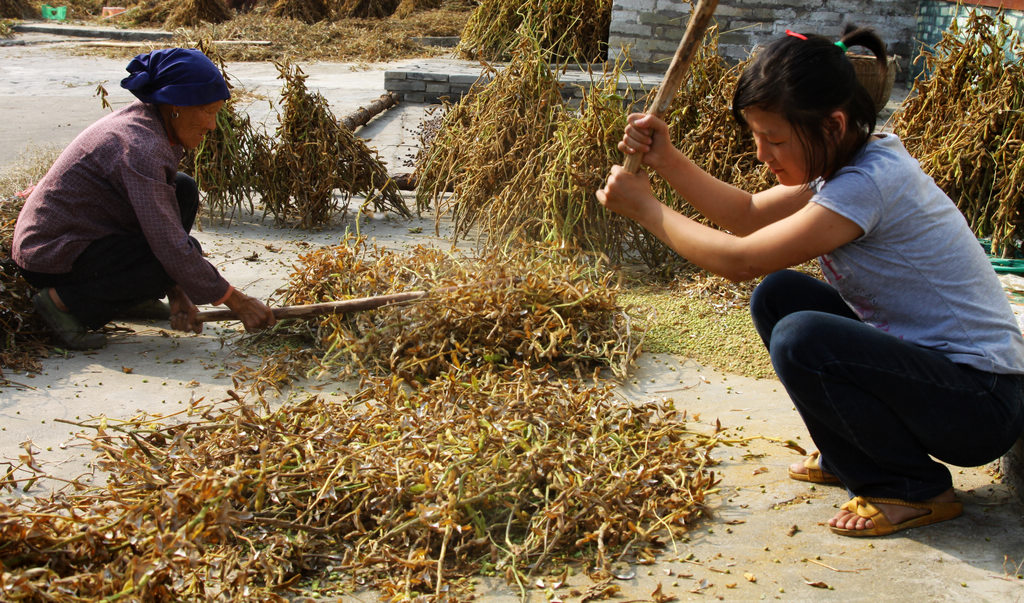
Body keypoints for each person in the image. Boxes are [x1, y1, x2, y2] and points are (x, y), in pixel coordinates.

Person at [597, 27, 1024, 537]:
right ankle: (855, 453)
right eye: (757, 136)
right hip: (939, 379)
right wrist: (666, 161)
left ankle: (911, 488)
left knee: (803, 338)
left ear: (832, 124)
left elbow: (739, 258)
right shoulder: (847, 160)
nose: (762, 154)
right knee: (779, 297)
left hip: (980, 402)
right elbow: (748, 214)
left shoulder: (868, 183)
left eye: (774, 139)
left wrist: (645, 209)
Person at [12, 47, 276, 350]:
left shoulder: (153, 122)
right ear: (176, 106)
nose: (212, 125)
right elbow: (168, 244)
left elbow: (162, 226)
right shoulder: (140, 145)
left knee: (183, 190)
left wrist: (177, 292)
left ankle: (129, 297)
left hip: (88, 233)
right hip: (51, 251)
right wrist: (236, 301)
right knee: (170, 259)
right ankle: (60, 303)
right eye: (208, 112)